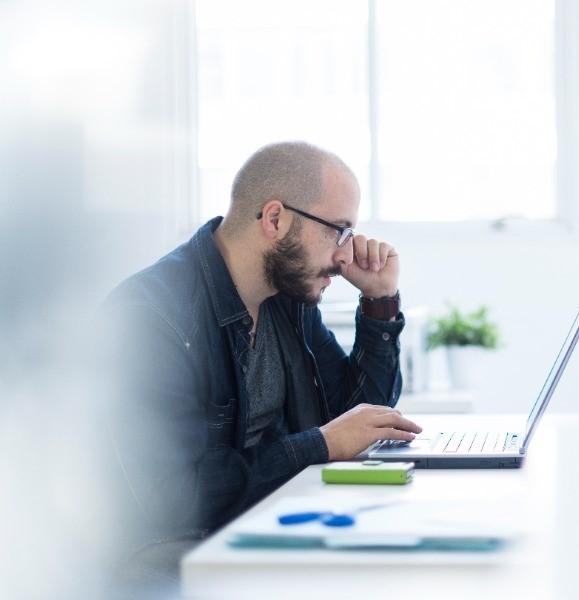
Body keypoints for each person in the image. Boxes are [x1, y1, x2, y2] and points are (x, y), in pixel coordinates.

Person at [102, 141, 421, 587]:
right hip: (174, 554)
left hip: (263, 524)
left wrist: (379, 302)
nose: (346, 255)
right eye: (338, 231)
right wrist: (318, 445)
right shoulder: (149, 316)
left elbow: (358, 422)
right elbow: (171, 502)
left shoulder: (287, 301)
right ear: (275, 219)